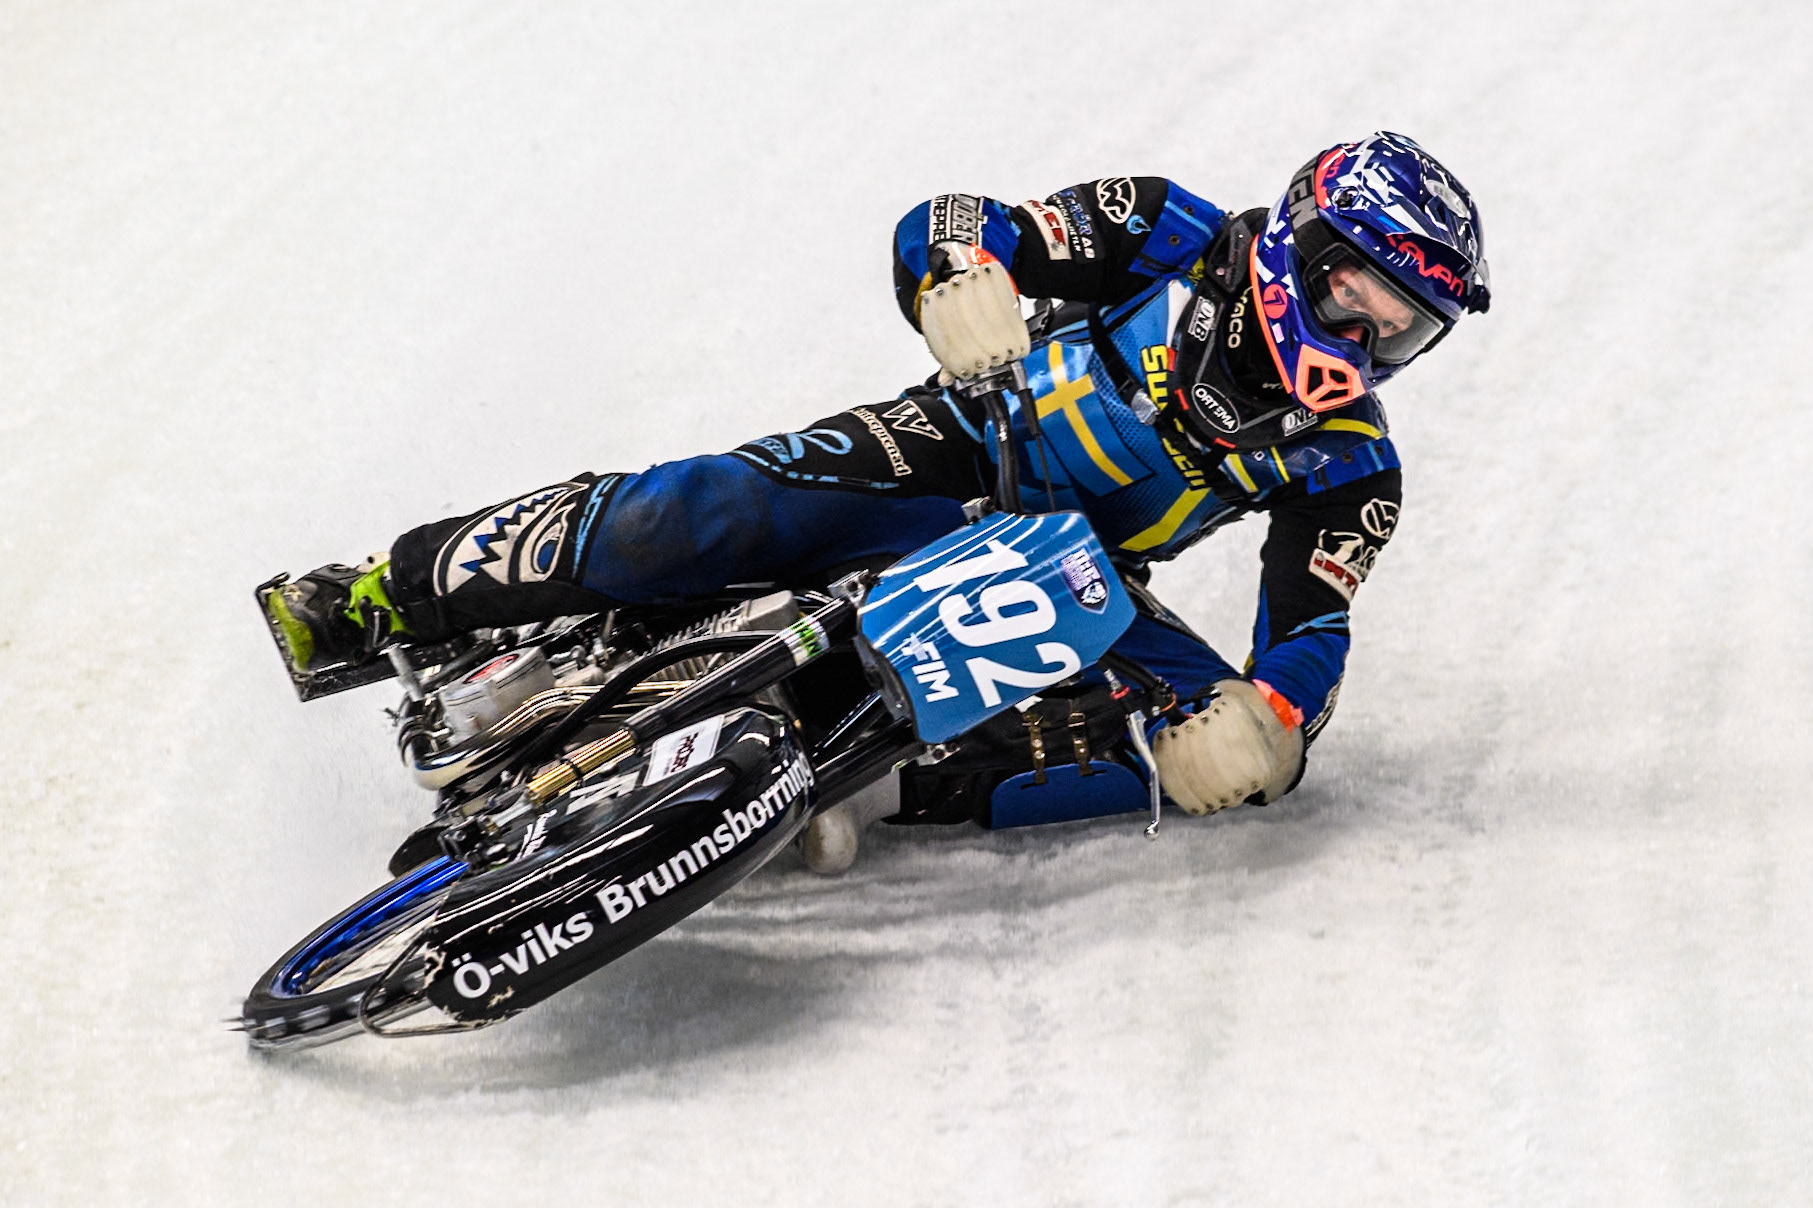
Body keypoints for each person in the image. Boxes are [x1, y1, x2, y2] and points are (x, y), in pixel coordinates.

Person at [265, 131, 1490, 872]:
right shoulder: (1170, 232)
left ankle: (880, 783)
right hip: (956, 444)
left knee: (1252, 768)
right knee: (700, 515)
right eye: (1356, 298)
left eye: (1404, 332)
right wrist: (959, 274)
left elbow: (1310, 638)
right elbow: (958, 220)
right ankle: (386, 592)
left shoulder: (1352, 466)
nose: (1365, 345)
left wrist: (1269, 718)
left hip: (1080, 573)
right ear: (1301, 241)